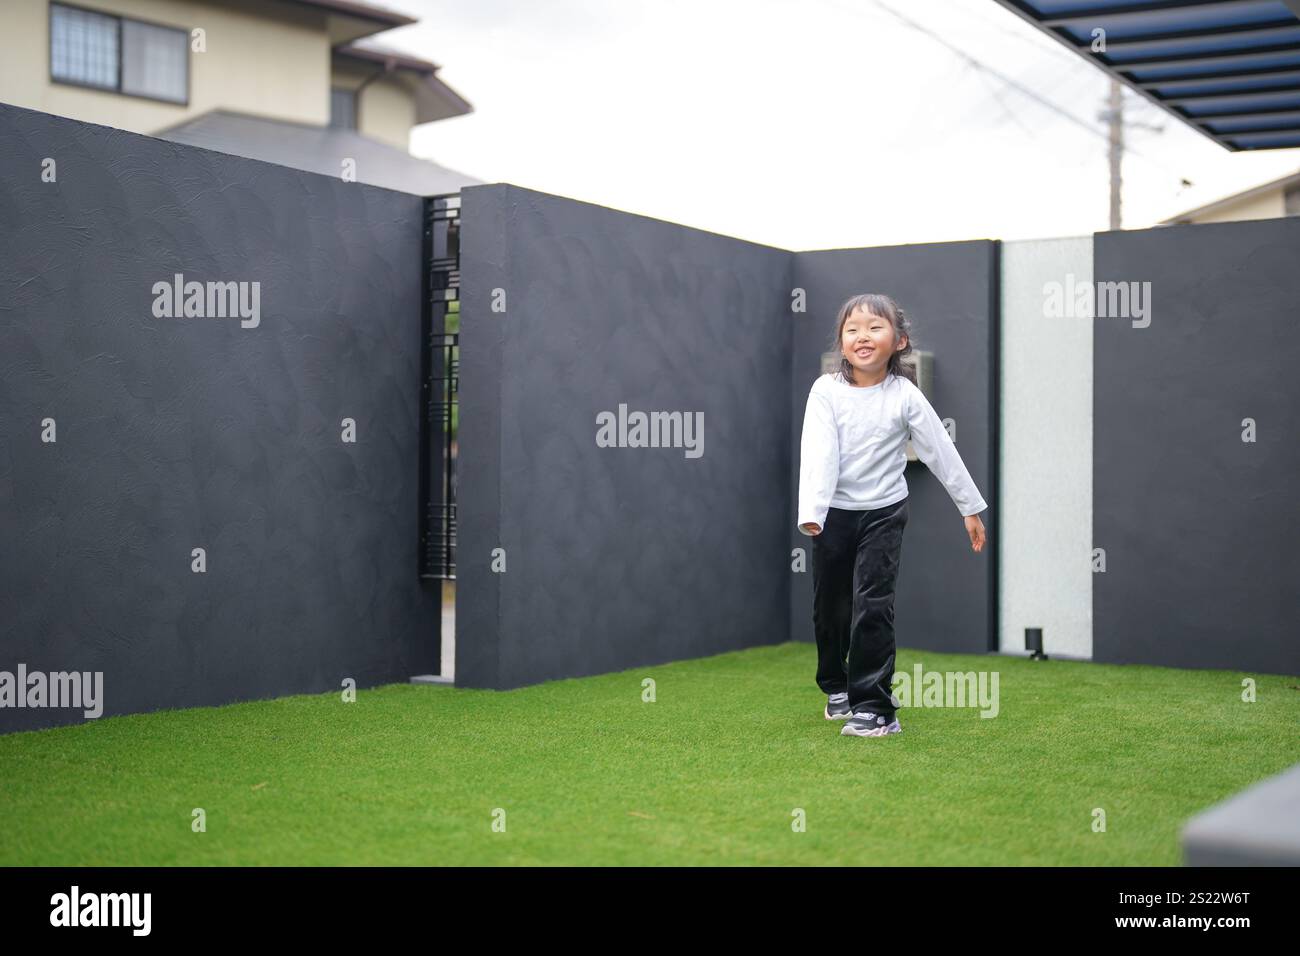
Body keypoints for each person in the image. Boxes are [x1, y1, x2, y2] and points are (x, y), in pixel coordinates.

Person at [796, 293, 988, 738]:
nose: (863, 336)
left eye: (874, 327)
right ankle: (836, 685)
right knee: (831, 608)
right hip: (832, 515)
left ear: (899, 341)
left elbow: (939, 448)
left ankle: (876, 708)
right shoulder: (826, 391)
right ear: (842, 343)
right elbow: (818, 453)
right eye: (852, 329)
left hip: (884, 512)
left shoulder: (905, 395)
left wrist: (970, 508)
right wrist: (813, 512)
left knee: (873, 606)